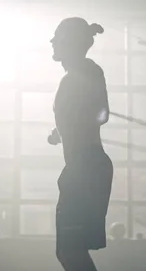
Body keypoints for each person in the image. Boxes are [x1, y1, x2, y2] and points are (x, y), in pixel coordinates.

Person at [47, 17, 113, 271]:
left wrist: (71, 124)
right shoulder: (77, 75)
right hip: (82, 167)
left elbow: (101, 113)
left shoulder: (88, 71)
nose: (52, 42)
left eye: (57, 37)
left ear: (69, 42)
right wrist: (60, 131)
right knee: (69, 251)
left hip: (87, 167)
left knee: (70, 251)